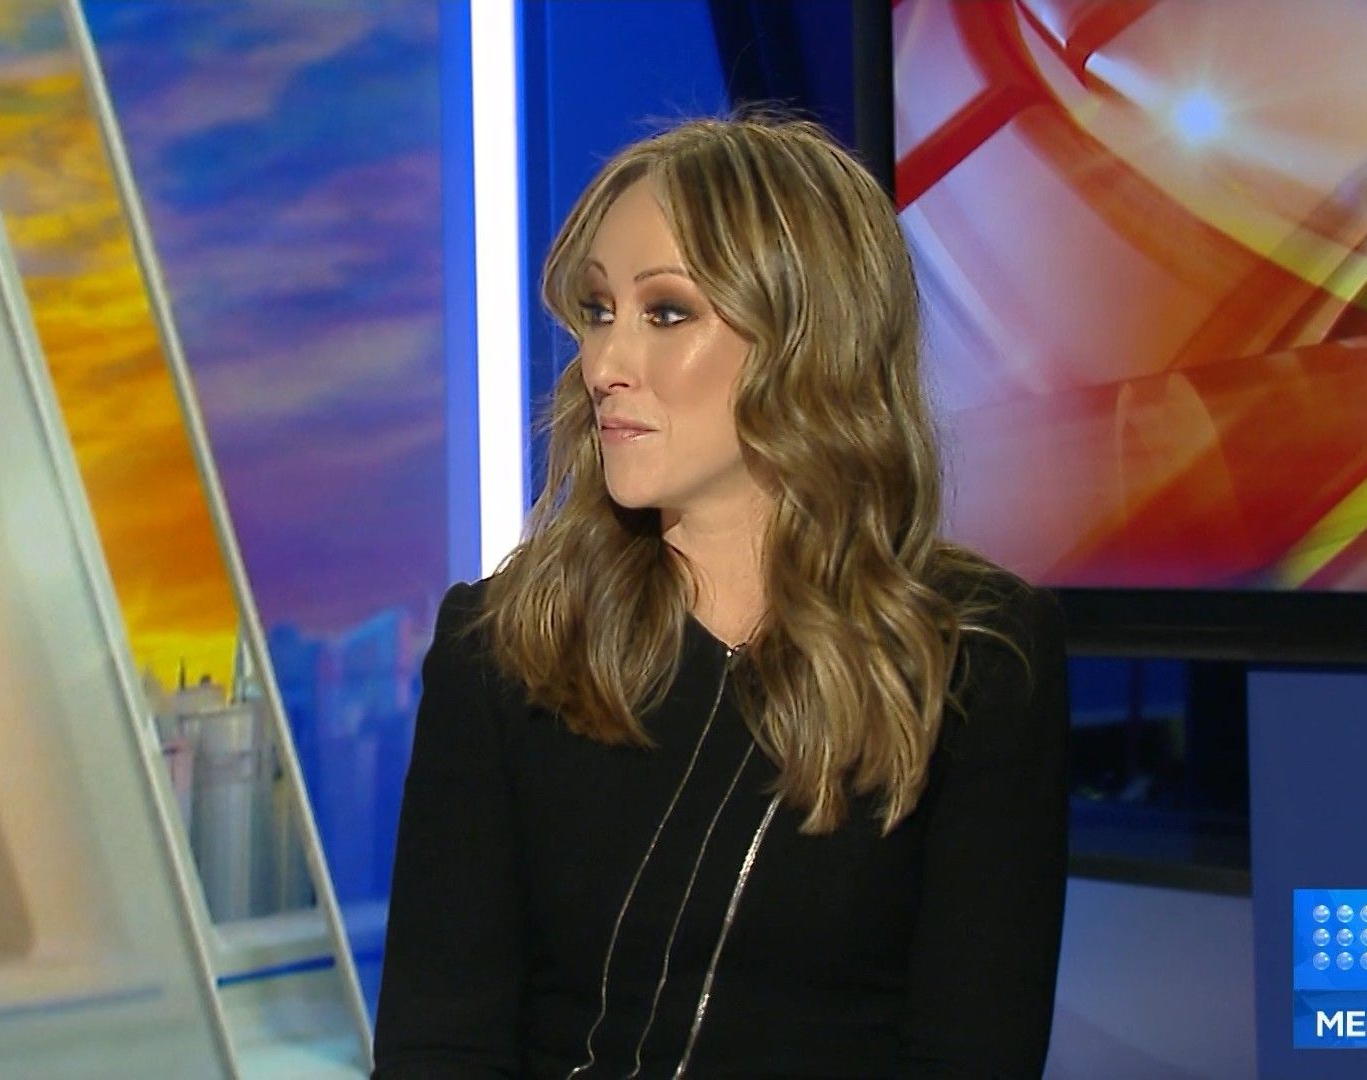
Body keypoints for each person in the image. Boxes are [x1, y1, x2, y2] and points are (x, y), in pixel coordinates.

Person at [372, 113, 1069, 1079]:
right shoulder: (503, 647)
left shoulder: (974, 660)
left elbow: (971, 1055)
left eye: (665, 313)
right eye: (598, 311)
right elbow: (438, 1048)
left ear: (806, 340)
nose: (603, 365)